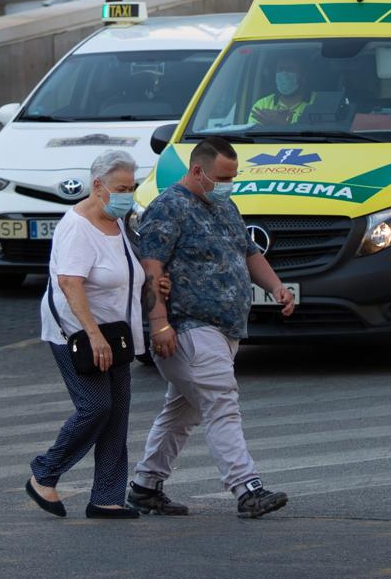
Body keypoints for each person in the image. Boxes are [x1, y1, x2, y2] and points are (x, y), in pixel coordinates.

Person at [128, 137, 296, 519]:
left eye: (233, 177)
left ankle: (144, 486)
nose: (228, 185)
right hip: (188, 327)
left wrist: (276, 287)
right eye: (222, 177)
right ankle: (246, 487)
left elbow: (249, 253)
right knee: (221, 402)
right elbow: (151, 270)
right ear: (198, 170)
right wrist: (159, 326)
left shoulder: (225, 206)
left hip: (225, 329)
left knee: (181, 412)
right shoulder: (168, 208)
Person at [25, 150, 144, 520]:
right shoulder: (76, 227)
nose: (128, 194)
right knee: (96, 407)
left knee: (117, 414)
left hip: (116, 334)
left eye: (132, 186)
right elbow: (69, 283)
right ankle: (44, 473)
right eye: (121, 188)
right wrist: (93, 335)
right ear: (97, 185)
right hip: (78, 333)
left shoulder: (118, 220)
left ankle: (107, 497)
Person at [248, 55, 314, 126]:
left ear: (303, 76)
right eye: (280, 69)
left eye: (290, 69)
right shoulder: (262, 105)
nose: (284, 74)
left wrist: (281, 125)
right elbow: (252, 135)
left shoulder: (317, 102)